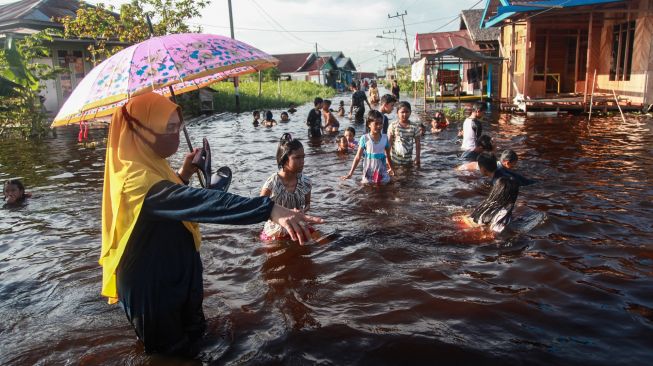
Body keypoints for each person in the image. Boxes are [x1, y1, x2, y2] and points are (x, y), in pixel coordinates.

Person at [101, 93, 321, 357]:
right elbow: (200, 202)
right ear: (141, 132)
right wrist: (269, 209)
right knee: (170, 352)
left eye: (178, 127)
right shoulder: (133, 179)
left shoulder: (155, 166)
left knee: (196, 340)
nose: (177, 134)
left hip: (178, 271)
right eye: (169, 128)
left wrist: (183, 174)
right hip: (153, 285)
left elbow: (170, 202)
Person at [260, 133, 315, 241]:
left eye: (303, 157)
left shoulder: (306, 182)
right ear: (284, 160)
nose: (302, 161)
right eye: (297, 158)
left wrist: (301, 211)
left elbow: (308, 204)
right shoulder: (271, 184)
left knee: (322, 243)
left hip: (298, 224)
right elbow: (260, 208)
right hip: (274, 229)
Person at [342, 110, 394, 184]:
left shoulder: (385, 138)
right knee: (367, 186)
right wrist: (350, 173)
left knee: (383, 186)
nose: (379, 126)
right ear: (369, 124)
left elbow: (388, 156)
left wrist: (392, 169)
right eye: (376, 124)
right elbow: (357, 157)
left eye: (381, 123)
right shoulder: (365, 138)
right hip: (369, 170)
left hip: (381, 170)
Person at [388, 101, 421, 168]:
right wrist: (387, 158)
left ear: (410, 112)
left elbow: (418, 143)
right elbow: (389, 142)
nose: (405, 114)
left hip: (408, 160)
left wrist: (417, 157)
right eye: (402, 112)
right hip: (394, 160)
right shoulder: (393, 125)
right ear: (397, 113)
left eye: (407, 112)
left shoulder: (414, 126)